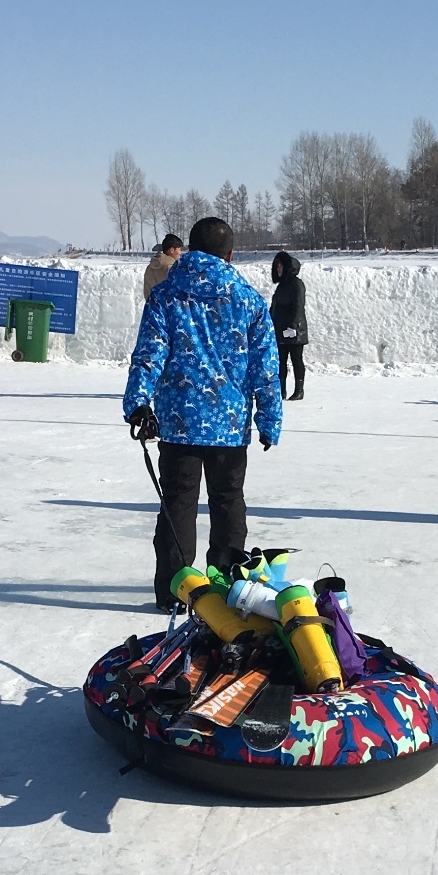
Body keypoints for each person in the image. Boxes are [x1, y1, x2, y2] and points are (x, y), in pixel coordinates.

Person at [123, 214, 281, 612]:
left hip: (179, 422)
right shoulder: (248, 299)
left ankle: (174, 590)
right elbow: (266, 367)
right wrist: (269, 420)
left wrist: (138, 404)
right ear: (229, 253)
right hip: (229, 426)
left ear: (190, 249)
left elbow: (148, 356)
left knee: (178, 503)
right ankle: (228, 588)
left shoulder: (166, 295)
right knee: (228, 501)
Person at [270, 251, 308, 400]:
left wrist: (293, 327)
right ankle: (282, 390)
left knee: (296, 359)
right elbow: (275, 307)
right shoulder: (281, 286)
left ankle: (299, 390)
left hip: (294, 330)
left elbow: (298, 306)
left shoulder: (296, 284)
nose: (278, 269)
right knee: (281, 361)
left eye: (280, 266)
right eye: (276, 266)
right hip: (280, 330)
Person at [142, 234, 186, 302]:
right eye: (179, 249)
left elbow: (146, 291)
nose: (180, 253)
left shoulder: (150, 267)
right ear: (171, 250)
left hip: (151, 308)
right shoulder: (171, 269)